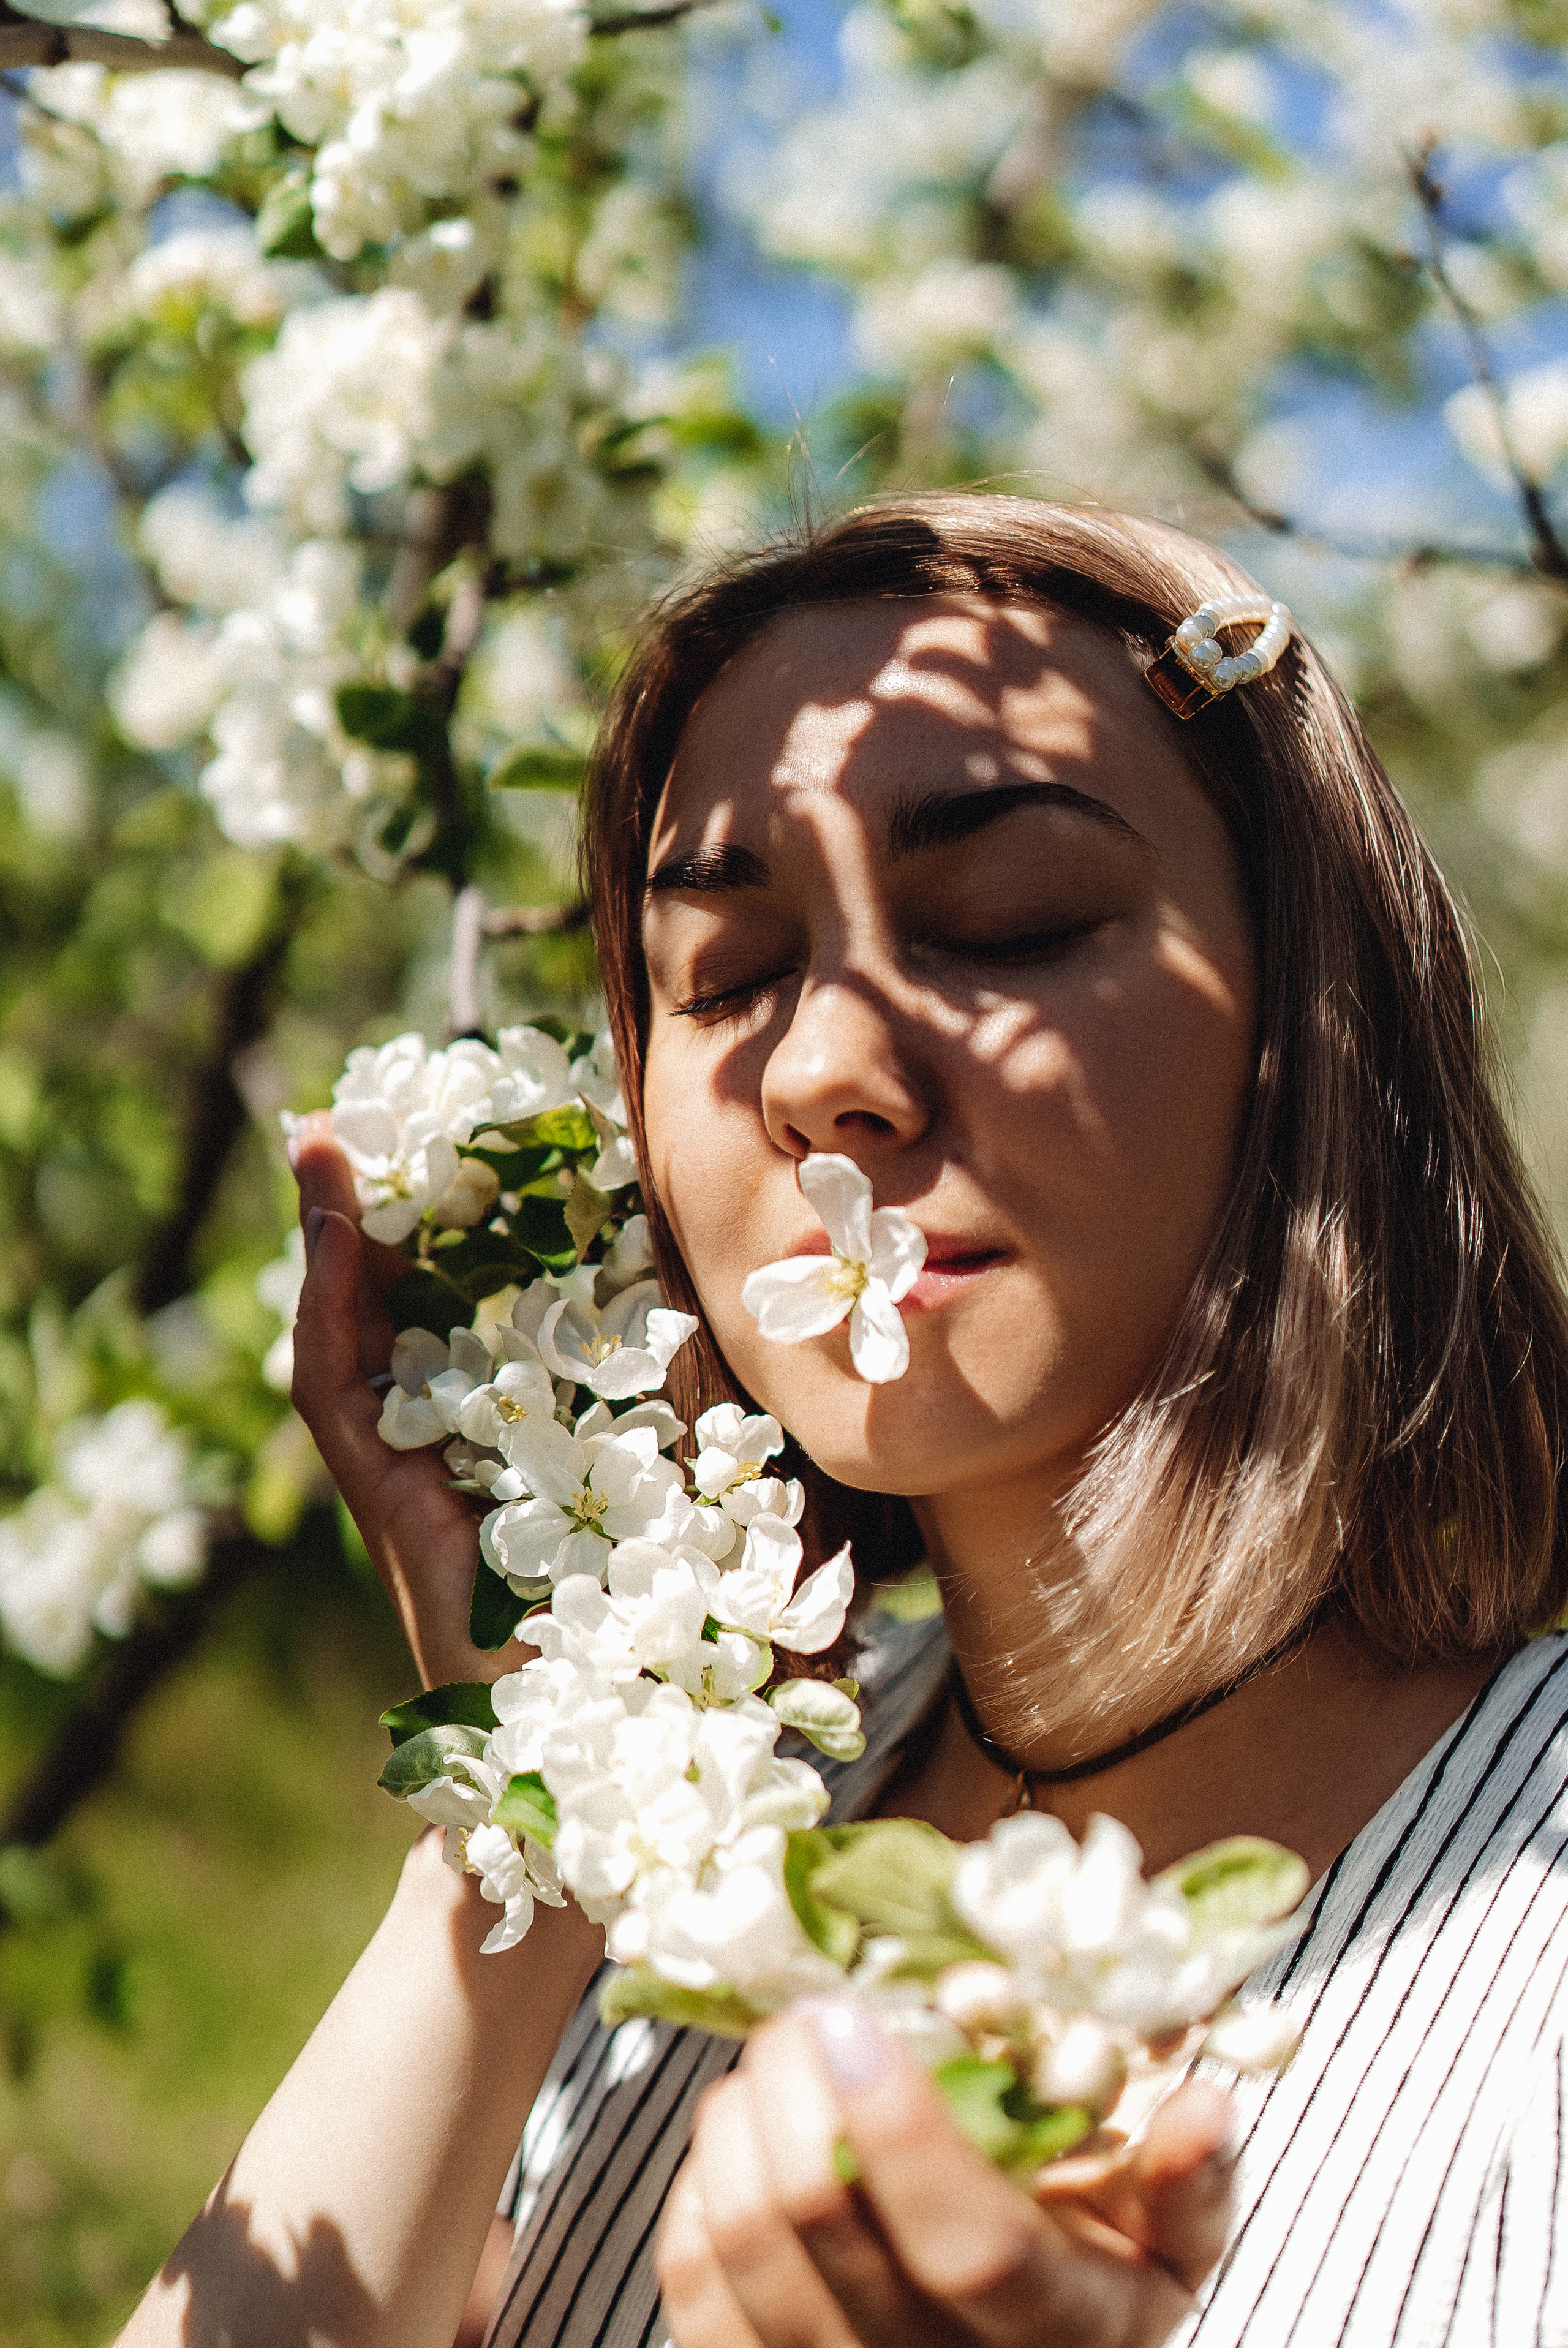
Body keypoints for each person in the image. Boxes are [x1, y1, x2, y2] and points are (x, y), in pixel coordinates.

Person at [117, 497, 1568, 2348]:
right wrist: (540, 1798)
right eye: (724, 977)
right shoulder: (704, 1840)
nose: (825, 1070)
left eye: (1010, 922)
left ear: (1304, 1009)